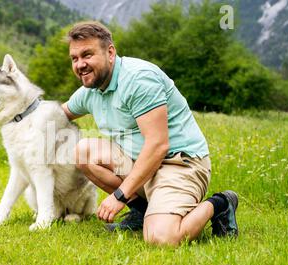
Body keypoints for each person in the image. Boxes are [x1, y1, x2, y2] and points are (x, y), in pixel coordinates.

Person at [60, 21, 239, 246]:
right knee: (84, 151)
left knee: (162, 239)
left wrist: (119, 196)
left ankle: (221, 203)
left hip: (178, 164)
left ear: (110, 52)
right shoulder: (91, 89)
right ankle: (142, 212)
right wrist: (18, 112)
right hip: (142, 165)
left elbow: (158, 145)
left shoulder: (138, 79)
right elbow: (57, 115)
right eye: (74, 58)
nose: (80, 64)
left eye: (87, 55)